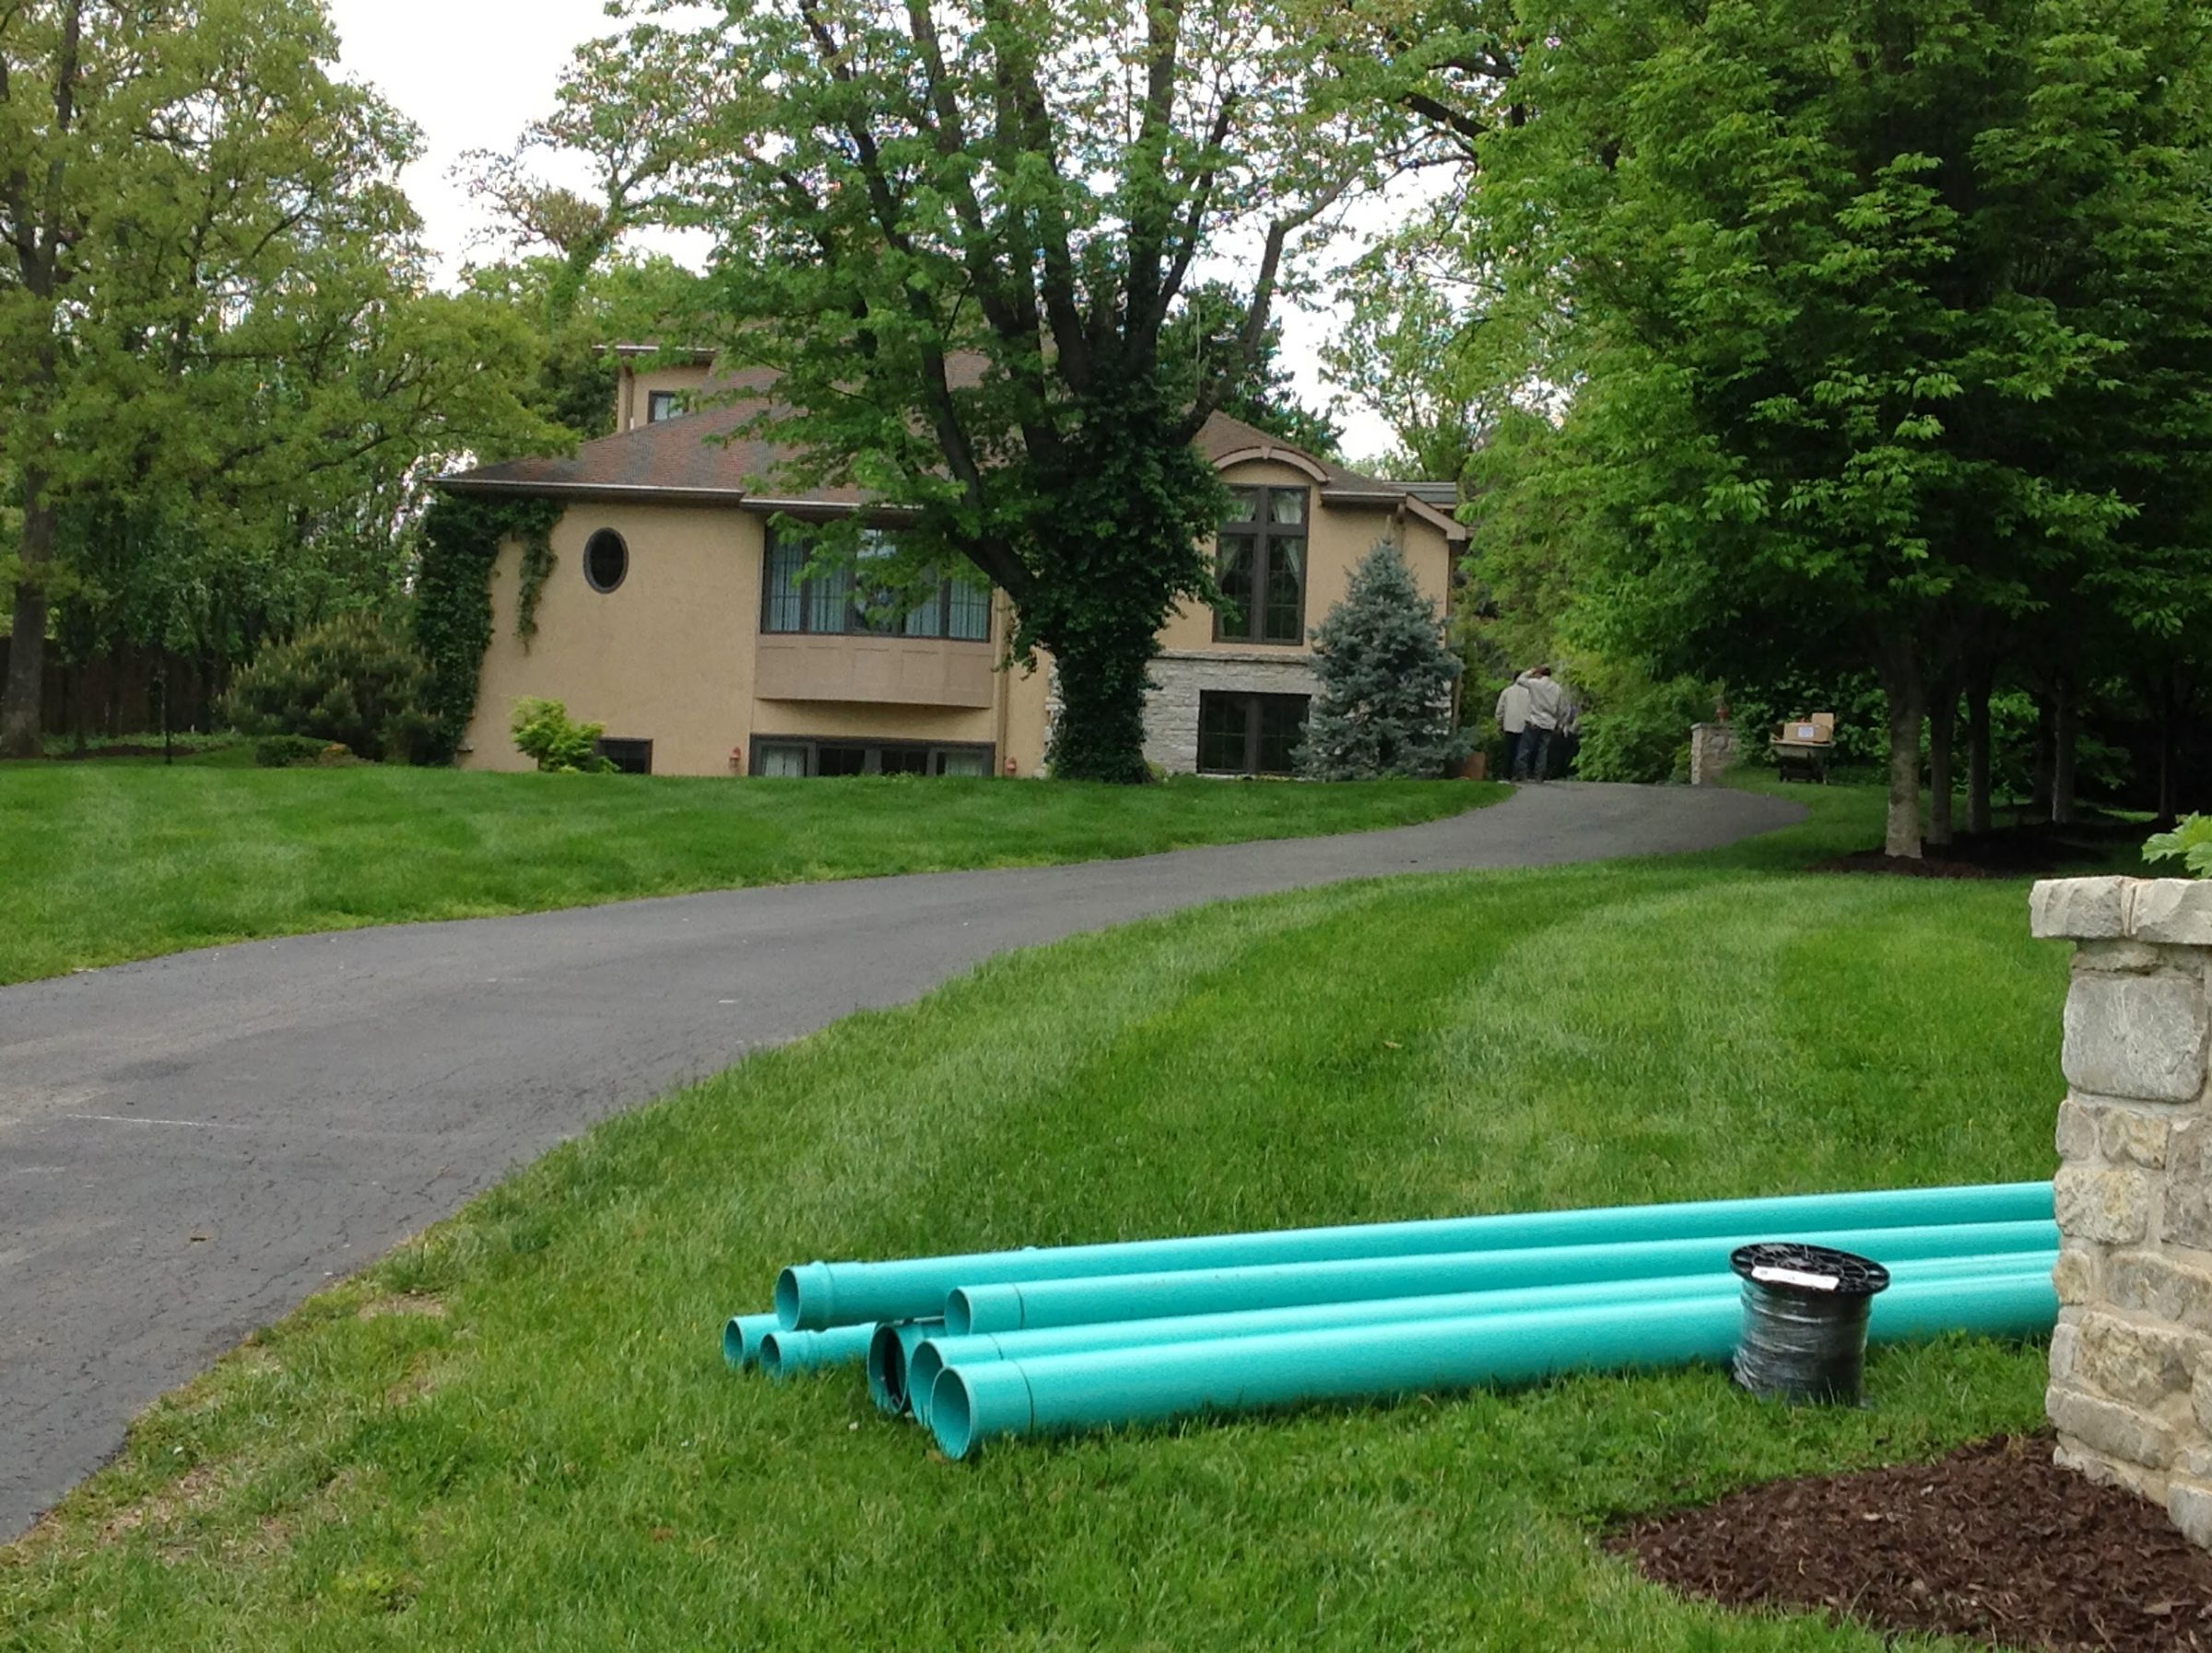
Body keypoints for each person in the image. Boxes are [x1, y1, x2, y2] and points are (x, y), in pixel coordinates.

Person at [1519, 665, 1564, 782]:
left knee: (1526, 748)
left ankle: (1521, 773)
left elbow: (1520, 680)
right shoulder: (1557, 688)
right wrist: (1558, 723)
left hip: (1534, 720)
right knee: (1543, 750)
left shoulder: (1535, 684)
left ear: (1540, 674)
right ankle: (1539, 775)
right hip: (1549, 722)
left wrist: (1530, 671)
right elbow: (1560, 708)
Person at [1495, 672, 1533, 779]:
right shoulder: (1529, 693)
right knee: (1522, 751)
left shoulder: (1507, 692)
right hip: (1524, 725)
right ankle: (1520, 774)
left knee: (1509, 750)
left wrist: (1499, 722)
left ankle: (1506, 774)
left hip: (1509, 724)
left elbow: (1500, 709)